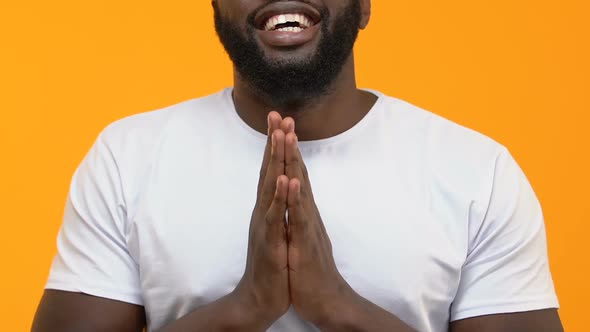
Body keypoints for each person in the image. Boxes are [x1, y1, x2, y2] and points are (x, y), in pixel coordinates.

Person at [32, 1, 563, 331]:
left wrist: (338, 307)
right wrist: (243, 310)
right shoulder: (127, 156)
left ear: (366, 3)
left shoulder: (477, 171)